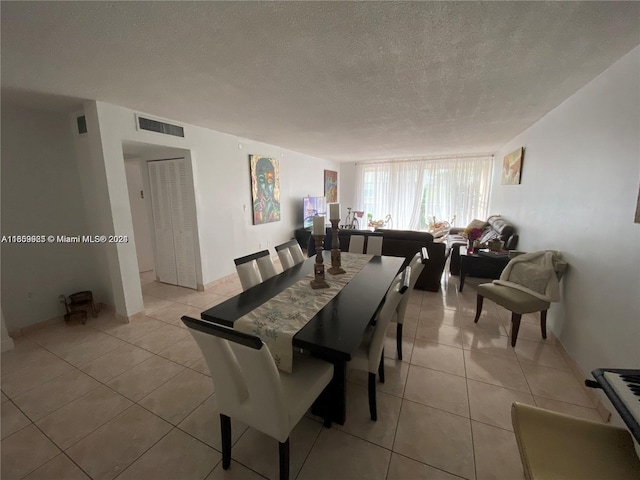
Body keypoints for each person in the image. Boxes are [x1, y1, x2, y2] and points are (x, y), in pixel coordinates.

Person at [253, 157, 280, 224]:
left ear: (274, 183)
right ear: (257, 182)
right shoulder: (255, 208)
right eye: (262, 180)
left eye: (270, 180)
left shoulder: (278, 210)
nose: (266, 186)